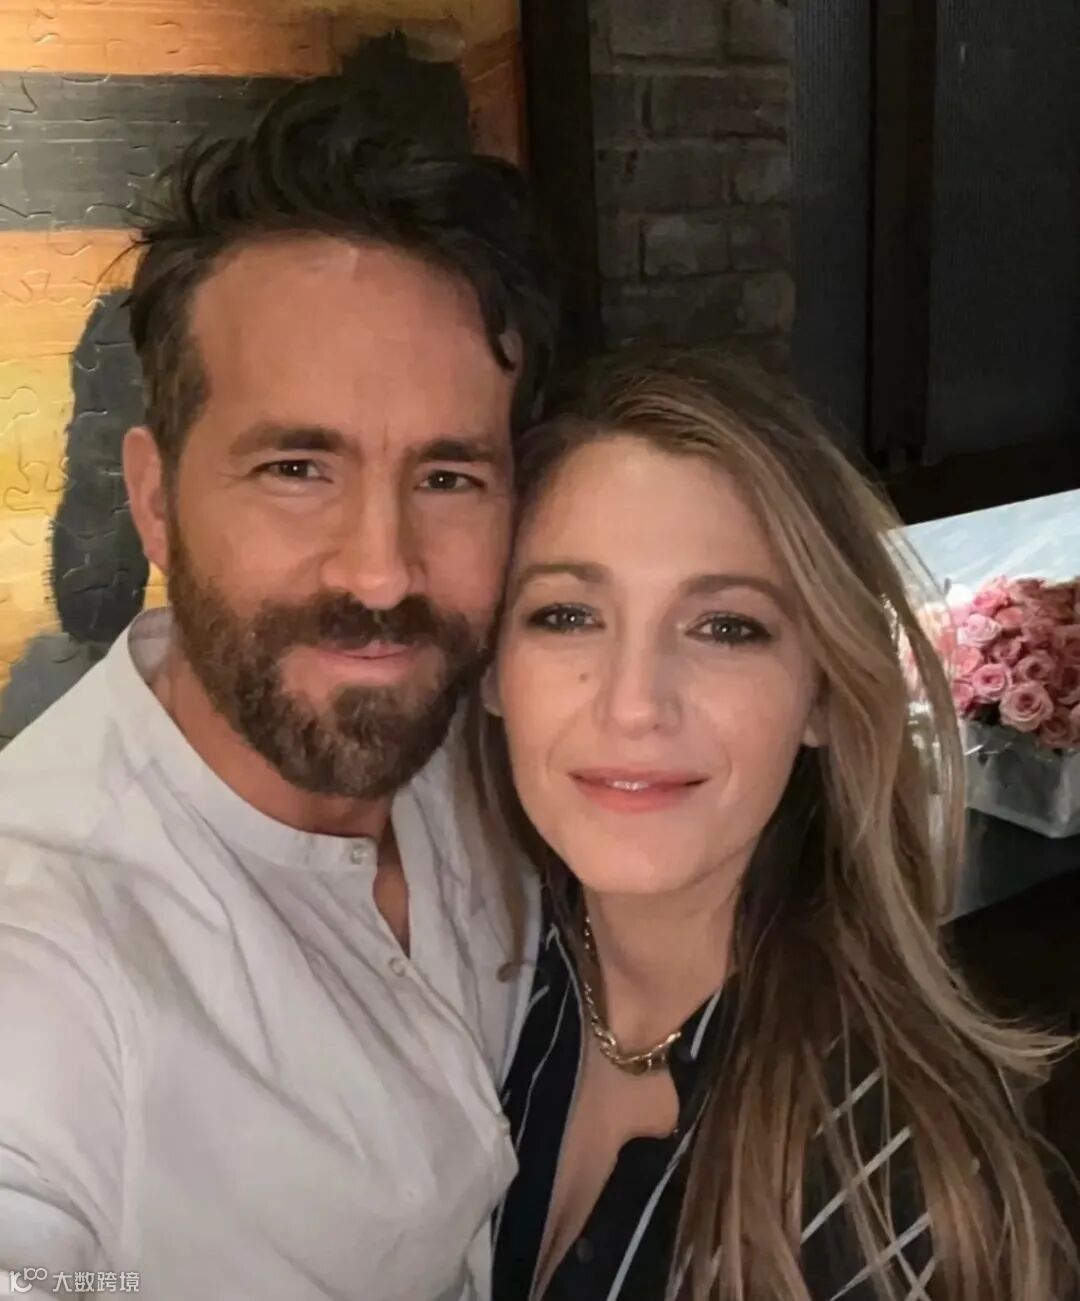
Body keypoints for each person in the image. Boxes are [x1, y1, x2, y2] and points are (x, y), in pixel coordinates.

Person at [0, 73, 555, 1301]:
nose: (381, 571)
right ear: (156, 500)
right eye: (297, 467)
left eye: (449, 477)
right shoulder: (39, 954)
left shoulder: (509, 741)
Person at [479, 351, 1076, 1301]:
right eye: (567, 614)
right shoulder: (474, 980)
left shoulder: (890, 1195)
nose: (634, 704)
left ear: (822, 692)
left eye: (726, 626)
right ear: (490, 669)